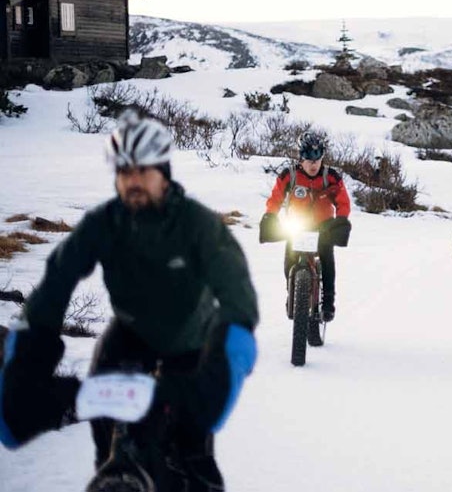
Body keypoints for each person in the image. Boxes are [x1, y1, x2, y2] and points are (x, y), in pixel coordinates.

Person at [0, 111, 259, 491]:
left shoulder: (198, 225)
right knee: (109, 444)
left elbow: (238, 300)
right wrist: (27, 354)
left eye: (143, 171)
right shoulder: (104, 223)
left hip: (190, 343)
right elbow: (56, 282)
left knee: (194, 454)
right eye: (124, 172)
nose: (132, 181)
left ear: (163, 173)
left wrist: (224, 364)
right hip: (127, 339)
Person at [260, 131, 351, 323]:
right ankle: (292, 291)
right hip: (297, 224)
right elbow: (275, 198)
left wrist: (341, 220)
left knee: (327, 258)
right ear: (301, 157)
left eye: (317, 158)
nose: (313, 164)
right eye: (309, 158)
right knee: (289, 258)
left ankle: (328, 302)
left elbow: (343, 202)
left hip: (323, 226)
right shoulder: (289, 175)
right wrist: (270, 216)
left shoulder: (331, 177)